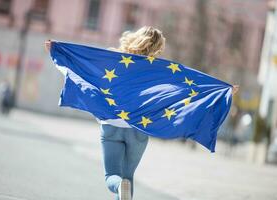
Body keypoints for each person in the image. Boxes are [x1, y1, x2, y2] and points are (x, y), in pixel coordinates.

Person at [45, 26, 239, 200]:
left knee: (112, 177)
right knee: (128, 179)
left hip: (111, 127)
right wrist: (224, 90)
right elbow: (188, 84)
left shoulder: (114, 58)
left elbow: (86, 65)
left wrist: (57, 50)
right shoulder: (160, 69)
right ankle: (123, 187)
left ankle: (118, 186)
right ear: (157, 47)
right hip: (139, 129)